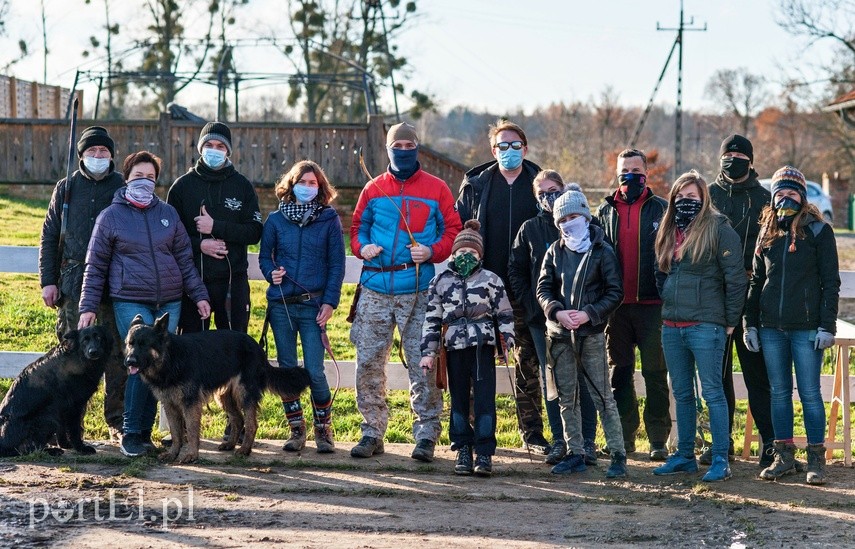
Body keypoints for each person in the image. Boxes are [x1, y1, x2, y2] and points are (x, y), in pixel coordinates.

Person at [77, 151, 211, 458]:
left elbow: (184, 259)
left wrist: (200, 294)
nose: (145, 182)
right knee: (138, 362)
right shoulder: (111, 216)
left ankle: (148, 433)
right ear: (126, 179)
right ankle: (131, 432)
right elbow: (95, 265)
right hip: (130, 299)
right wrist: (88, 305)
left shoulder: (167, 214)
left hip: (170, 301)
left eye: (150, 178)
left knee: (159, 366)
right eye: (139, 177)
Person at [349, 122, 462, 461]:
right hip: (375, 288)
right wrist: (362, 246)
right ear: (387, 149)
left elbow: (452, 231)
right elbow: (357, 229)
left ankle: (426, 433)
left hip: (418, 290)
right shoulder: (373, 188)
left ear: (418, 147)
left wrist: (432, 251)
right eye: (396, 144)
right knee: (368, 362)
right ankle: (372, 431)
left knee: (423, 362)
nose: (403, 149)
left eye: (408, 144)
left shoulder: (437, 188)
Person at [456, 119, 551, 454]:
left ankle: (533, 433)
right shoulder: (477, 185)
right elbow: (460, 235)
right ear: (492, 150)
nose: (508, 151)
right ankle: (474, 434)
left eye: (515, 145)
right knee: (477, 360)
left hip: (527, 289)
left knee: (529, 361)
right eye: (502, 146)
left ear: (525, 148)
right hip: (484, 288)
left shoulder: (540, 183)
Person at [744, 166, 840, 486]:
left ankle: (816, 459)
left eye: (792, 192)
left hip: (808, 328)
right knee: (779, 393)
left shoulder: (818, 231)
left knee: (810, 394)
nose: (786, 198)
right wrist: (750, 324)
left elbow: (831, 282)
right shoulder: (767, 232)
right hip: (771, 327)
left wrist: (827, 326)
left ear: (802, 196)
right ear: (773, 197)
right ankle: (784, 457)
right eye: (780, 193)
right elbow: (756, 282)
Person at [652, 170, 746, 482]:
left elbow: (735, 279)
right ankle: (684, 456)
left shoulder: (718, 228)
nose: (685, 201)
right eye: (680, 196)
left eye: (691, 196)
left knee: (713, 393)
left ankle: (720, 457)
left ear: (703, 198)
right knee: (681, 392)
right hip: (672, 325)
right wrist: (666, 297)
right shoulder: (668, 228)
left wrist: (731, 321)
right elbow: (660, 272)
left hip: (707, 325)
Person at [38, 126, 126, 439]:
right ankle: (64, 423)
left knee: (116, 353)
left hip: (113, 285)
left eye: (103, 151)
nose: (98, 156)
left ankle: (117, 420)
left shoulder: (122, 187)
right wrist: (48, 281)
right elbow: (49, 237)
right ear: (82, 156)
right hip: (72, 283)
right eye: (92, 151)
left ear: (111, 155)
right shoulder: (66, 188)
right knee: (70, 354)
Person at [508, 172, 599, 466]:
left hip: (581, 319)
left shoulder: (587, 224)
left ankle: (586, 442)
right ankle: (560, 441)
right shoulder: (530, 229)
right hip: (543, 320)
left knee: (583, 381)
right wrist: (534, 308)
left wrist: (588, 310)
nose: (550, 196)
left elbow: (603, 267)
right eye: (543, 193)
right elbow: (516, 271)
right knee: (553, 383)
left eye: (554, 190)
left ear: (565, 189)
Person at [536, 190, 627, 478]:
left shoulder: (603, 251)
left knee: (603, 397)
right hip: (560, 335)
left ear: (586, 217)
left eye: (573, 216)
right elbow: (543, 289)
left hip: (592, 335)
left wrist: (589, 313)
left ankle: (618, 455)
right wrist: (556, 311)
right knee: (567, 398)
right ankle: (575, 452)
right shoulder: (554, 251)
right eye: (562, 218)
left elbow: (615, 292)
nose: (568, 222)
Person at [259, 160, 346, 454]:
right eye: (303, 182)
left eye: (313, 183)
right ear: (291, 185)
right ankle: (296, 428)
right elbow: (263, 257)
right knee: (286, 367)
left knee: (314, 369)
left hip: (313, 305)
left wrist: (331, 302)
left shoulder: (329, 220)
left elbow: (337, 264)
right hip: (281, 304)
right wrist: (272, 272)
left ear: (320, 188)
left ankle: (323, 429)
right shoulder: (275, 220)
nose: (307, 187)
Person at [420, 220, 514, 477]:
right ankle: (462, 447)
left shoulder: (491, 280)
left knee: (484, 399)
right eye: (461, 252)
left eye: (472, 253)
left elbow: (504, 313)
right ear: (453, 253)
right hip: (453, 346)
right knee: (458, 399)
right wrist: (428, 352)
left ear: (480, 255)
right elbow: (432, 319)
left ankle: (484, 451)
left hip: (482, 345)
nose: (466, 257)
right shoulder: (440, 281)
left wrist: (507, 341)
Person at [596, 148, 671, 459]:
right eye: (624, 170)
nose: (630, 176)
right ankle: (623, 437)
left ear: (646, 173)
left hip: (652, 305)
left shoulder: (662, 210)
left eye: (635, 170)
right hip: (616, 308)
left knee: (655, 375)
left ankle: (657, 440)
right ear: (617, 174)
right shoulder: (604, 212)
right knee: (620, 375)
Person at [709, 134, 774, 466]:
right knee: (717, 376)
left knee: (756, 373)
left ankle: (770, 443)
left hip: (752, 299)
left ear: (750, 160)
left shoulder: (765, 199)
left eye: (738, 154)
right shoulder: (709, 196)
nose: (732, 158)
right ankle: (722, 443)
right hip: (714, 298)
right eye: (727, 153)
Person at [167, 121, 262, 334]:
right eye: (209, 145)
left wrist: (216, 226)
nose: (214, 150)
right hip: (193, 282)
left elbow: (255, 231)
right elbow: (170, 238)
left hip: (233, 282)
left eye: (220, 146)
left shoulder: (242, 186)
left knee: (233, 346)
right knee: (192, 348)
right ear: (200, 149)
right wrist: (201, 245)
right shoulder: (181, 187)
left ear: (228, 151)